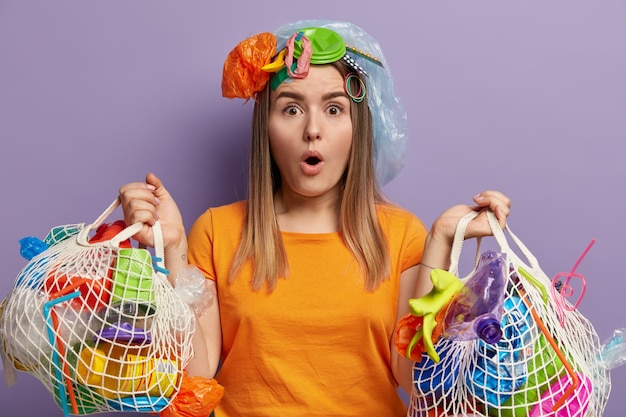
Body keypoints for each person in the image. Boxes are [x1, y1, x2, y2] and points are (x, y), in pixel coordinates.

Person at [119, 20, 511, 417]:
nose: (312, 130)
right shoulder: (218, 231)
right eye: (291, 108)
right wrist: (173, 251)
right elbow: (194, 373)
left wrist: (443, 241)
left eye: (334, 108)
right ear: (266, 129)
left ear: (358, 128)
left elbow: (417, 380)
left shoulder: (401, 234)